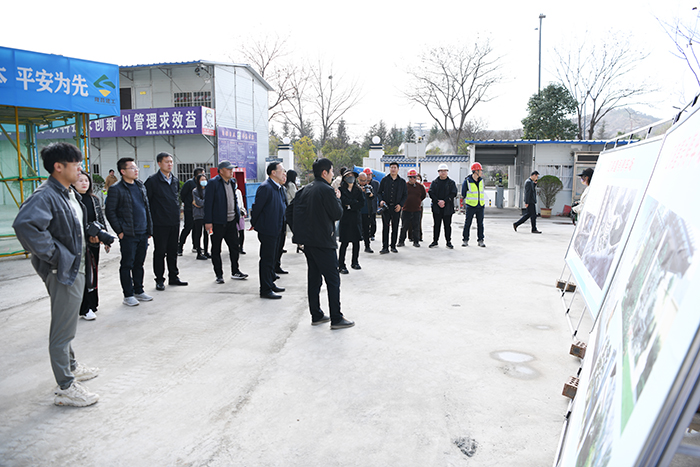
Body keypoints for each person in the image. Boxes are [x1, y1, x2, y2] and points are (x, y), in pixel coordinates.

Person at [12, 142, 100, 407]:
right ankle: (65, 386)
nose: (80, 169)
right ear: (58, 167)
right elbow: (24, 225)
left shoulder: (67, 192)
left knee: (68, 321)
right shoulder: (45, 195)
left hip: (74, 265)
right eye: (76, 164)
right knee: (63, 330)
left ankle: (71, 366)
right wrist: (55, 254)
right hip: (62, 268)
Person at [291, 158, 354, 329]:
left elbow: (290, 211)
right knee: (333, 280)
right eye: (331, 171)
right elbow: (337, 214)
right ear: (324, 172)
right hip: (324, 242)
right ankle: (336, 318)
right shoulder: (327, 190)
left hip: (308, 242)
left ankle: (316, 314)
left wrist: (299, 234)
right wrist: (338, 198)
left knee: (314, 278)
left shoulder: (305, 189)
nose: (332, 174)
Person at [106, 157, 154, 307]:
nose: (136, 170)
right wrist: (119, 231)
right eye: (132, 168)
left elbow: (146, 208)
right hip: (128, 234)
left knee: (139, 263)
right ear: (123, 171)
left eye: (136, 167)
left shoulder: (140, 185)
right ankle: (128, 295)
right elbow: (110, 211)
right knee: (127, 264)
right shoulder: (116, 189)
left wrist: (149, 229)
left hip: (142, 232)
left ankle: (139, 290)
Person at [144, 152, 187, 290]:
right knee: (160, 252)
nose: (170, 164)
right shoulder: (152, 181)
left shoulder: (174, 180)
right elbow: (146, 203)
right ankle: (159, 279)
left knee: (173, 251)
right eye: (166, 162)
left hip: (174, 222)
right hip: (159, 223)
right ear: (159, 163)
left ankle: (173, 277)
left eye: (171, 162)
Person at [204, 161, 249, 284]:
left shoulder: (232, 182)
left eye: (232, 169)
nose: (231, 171)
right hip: (217, 223)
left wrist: (237, 214)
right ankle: (219, 274)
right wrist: (208, 221)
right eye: (229, 169)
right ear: (221, 171)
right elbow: (208, 203)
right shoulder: (213, 183)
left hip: (231, 222)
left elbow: (234, 199)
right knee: (216, 249)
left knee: (234, 247)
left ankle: (235, 271)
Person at [73, 170, 107, 321]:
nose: (84, 183)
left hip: (94, 243)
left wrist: (103, 237)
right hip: (78, 244)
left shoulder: (94, 199)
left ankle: (92, 304)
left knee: (92, 273)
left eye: (86, 180)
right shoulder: (71, 200)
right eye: (80, 180)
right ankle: (84, 307)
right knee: (82, 275)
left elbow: (100, 219)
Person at [250, 162, 287, 299]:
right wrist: (255, 224)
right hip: (268, 229)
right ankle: (265, 289)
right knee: (266, 260)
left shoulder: (278, 188)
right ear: (273, 172)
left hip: (278, 228)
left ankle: (270, 283)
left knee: (272, 259)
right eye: (282, 170)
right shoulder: (266, 187)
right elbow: (257, 208)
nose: (284, 173)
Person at [338, 170, 365, 273]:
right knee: (344, 243)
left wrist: (350, 206)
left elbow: (361, 203)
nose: (350, 177)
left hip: (356, 218)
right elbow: (342, 201)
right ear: (344, 178)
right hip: (345, 218)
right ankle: (341, 265)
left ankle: (355, 262)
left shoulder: (358, 189)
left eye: (352, 176)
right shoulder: (341, 189)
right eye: (348, 176)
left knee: (356, 242)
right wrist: (354, 203)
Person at [377, 162, 407, 254]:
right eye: (391, 167)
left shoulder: (402, 182)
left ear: (398, 169)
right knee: (385, 228)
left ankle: (393, 246)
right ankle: (385, 247)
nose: (393, 169)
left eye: (395, 167)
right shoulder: (384, 180)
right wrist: (381, 201)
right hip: (386, 208)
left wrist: (400, 205)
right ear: (389, 169)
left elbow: (405, 195)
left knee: (395, 227)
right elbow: (379, 192)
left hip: (396, 208)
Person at [428, 164, 458, 248]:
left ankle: (448, 242)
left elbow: (453, 193)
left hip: (448, 207)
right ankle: (435, 241)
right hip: (436, 207)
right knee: (436, 225)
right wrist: (438, 201)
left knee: (447, 225)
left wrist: (444, 201)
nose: (443, 173)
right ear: (438, 172)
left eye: (445, 171)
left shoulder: (451, 183)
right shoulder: (434, 182)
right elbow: (431, 192)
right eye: (441, 171)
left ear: (447, 172)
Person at [178, 167, 205, 255]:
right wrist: (188, 203)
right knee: (188, 227)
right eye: (203, 174)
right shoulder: (189, 183)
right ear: (198, 175)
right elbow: (182, 194)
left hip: (198, 210)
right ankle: (180, 247)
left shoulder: (201, 185)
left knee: (197, 229)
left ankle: (196, 246)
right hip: (189, 209)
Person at [398, 169, 426, 248]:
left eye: (414, 177)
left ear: (416, 177)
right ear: (408, 177)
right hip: (406, 210)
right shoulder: (404, 186)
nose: (412, 179)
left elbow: (423, 196)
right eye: (410, 177)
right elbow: (400, 195)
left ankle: (416, 241)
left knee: (416, 226)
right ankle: (401, 241)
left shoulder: (420, 187)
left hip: (416, 210)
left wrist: (417, 201)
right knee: (404, 227)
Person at [461, 162, 486, 247]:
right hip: (471, 206)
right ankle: (465, 240)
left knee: (480, 224)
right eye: (480, 171)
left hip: (480, 206)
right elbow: (463, 193)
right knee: (468, 223)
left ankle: (480, 240)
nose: (481, 172)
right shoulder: (467, 181)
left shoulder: (481, 181)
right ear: (476, 171)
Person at [192, 173, 210, 260]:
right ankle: (199, 252)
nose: (204, 181)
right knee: (198, 233)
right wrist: (206, 203)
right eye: (202, 180)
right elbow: (199, 202)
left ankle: (206, 251)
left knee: (206, 234)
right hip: (198, 215)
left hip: (206, 214)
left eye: (205, 179)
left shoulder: (208, 190)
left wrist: (204, 203)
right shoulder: (195, 191)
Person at [357, 171, 376, 253]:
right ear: (358, 179)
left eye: (365, 180)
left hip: (366, 212)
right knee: (357, 230)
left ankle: (367, 246)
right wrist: (359, 191)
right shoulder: (355, 187)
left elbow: (372, 197)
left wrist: (370, 194)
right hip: (357, 212)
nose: (363, 182)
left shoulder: (369, 187)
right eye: (361, 180)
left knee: (366, 230)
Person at [284, 169, 300, 254]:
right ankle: (300, 244)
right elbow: (295, 196)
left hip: (287, 208)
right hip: (292, 208)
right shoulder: (291, 185)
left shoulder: (286, 184)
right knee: (296, 228)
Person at [364, 168, 380, 242]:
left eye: (369, 175)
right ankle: (364, 234)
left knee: (373, 221)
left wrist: (379, 203)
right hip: (364, 205)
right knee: (364, 221)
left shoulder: (376, 184)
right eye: (366, 175)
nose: (368, 176)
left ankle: (372, 234)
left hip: (373, 205)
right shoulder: (361, 183)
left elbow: (379, 194)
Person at [235, 184, 247, 254]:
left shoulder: (238, 191)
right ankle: (236, 247)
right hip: (233, 215)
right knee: (234, 233)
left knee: (241, 232)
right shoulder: (229, 191)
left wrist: (243, 210)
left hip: (240, 214)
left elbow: (241, 202)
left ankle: (241, 247)